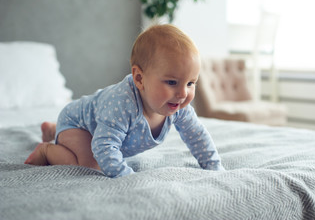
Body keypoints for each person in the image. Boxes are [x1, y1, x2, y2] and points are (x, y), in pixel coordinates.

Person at [25, 24, 225, 177]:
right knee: (90, 165)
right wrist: (126, 177)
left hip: (96, 122)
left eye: (191, 83)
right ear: (139, 78)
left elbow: (197, 136)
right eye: (172, 82)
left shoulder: (178, 105)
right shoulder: (123, 105)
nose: (183, 93)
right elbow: (104, 147)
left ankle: (52, 130)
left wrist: (214, 166)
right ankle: (48, 149)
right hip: (79, 124)